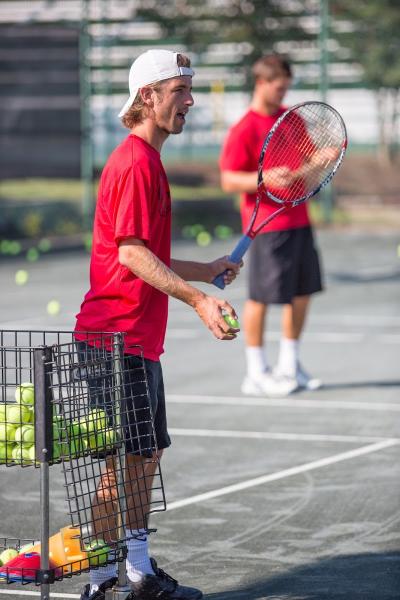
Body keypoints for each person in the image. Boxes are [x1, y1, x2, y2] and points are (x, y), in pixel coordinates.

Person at [75, 49, 241, 600]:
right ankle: (102, 582)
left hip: (135, 341)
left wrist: (208, 269)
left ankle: (140, 572)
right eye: (180, 91)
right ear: (148, 96)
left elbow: (153, 253)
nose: (190, 101)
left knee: (143, 456)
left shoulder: (148, 161)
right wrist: (197, 299)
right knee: (114, 465)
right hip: (112, 339)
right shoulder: (136, 162)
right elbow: (130, 256)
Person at [219, 53, 323, 397]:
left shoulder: (292, 120)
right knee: (261, 298)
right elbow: (228, 180)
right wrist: (263, 178)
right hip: (266, 226)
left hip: (299, 219)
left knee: (303, 293)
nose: (283, 95)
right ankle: (256, 371)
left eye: (287, 88)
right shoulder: (244, 128)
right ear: (261, 83)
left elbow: (304, 173)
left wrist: (319, 163)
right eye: (279, 88)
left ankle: (290, 365)